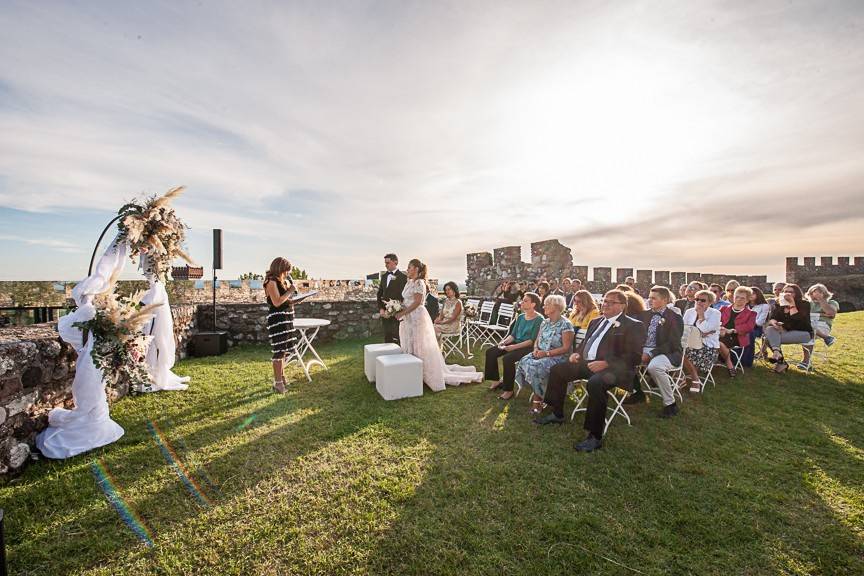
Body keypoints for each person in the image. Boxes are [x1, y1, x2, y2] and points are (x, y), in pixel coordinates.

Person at [535, 290, 644, 452]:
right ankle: (556, 413)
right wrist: (577, 353)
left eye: (610, 302)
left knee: (595, 384)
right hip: (589, 364)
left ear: (622, 306)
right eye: (604, 300)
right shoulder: (596, 321)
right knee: (558, 370)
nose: (605, 304)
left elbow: (634, 357)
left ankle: (595, 436)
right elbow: (586, 343)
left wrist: (606, 363)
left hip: (616, 369)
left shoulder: (633, 325)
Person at [395, 259, 482, 390]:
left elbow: (418, 302)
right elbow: (407, 300)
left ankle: (423, 372)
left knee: (419, 344)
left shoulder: (419, 283)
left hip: (416, 316)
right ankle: (412, 370)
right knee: (410, 342)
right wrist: (398, 308)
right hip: (408, 318)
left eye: (409, 267)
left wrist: (403, 312)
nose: (407, 269)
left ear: (416, 269)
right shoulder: (409, 282)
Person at [515, 295, 574, 414]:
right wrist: (536, 349)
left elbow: (566, 348)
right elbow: (537, 339)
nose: (543, 306)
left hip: (558, 357)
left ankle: (538, 401)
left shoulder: (566, 324)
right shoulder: (545, 322)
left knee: (536, 367)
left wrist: (546, 353)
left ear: (556, 307)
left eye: (547, 304)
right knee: (524, 360)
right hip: (541, 353)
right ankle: (544, 392)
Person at [633, 286, 684, 417]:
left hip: (668, 352)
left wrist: (651, 353)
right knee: (625, 357)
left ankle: (670, 404)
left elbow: (672, 343)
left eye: (654, 298)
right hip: (644, 348)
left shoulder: (674, 317)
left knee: (655, 366)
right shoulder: (643, 315)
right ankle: (637, 393)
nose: (650, 300)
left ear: (665, 300)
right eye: (649, 297)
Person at [486, 292, 544, 400]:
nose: (522, 302)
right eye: (523, 300)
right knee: (491, 352)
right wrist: (503, 342)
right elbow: (513, 335)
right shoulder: (521, 317)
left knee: (508, 358)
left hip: (527, 347)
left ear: (533, 304)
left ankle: (509, 390)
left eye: (525, 301)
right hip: (516, 343)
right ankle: (496, 382)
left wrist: (512, 348)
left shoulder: (539, 319)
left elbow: (531, 341)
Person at [264, 257, 299, 393]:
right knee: (279, 351)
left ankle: (282, 378)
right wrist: (290, 291)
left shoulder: (281, 282)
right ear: (280, 269)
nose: (288, 274)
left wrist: (294, 300)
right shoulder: (271, 282)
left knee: (284, 351)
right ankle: (278, 383)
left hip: (286, 318)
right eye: (286, 271)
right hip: (278, 320)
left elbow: (284, 301)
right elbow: (277, 302)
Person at [763, 283, 812, 373]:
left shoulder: (804, 304)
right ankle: (778, 354)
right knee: (770, 329)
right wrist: (774, 323)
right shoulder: (779, 305)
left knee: (769, 339)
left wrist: (791, 303)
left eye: (790, 292)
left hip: (803, 333)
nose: (787, 294)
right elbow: (772, 319)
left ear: (796, 293)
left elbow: (797, 319)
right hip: (784, 332)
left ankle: (780, 362)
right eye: (785, 291)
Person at [682, 289, 721, 392]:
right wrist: (701, 333)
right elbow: (683, 328)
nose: (699, 302)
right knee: (674, 349)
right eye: (697, 299)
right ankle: (680, 376)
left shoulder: (715, 313)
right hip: (688, 343)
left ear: (710, 302)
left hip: (708, 347)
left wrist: (701, 315)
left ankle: (694, 378)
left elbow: (705, 330)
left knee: (681, 352)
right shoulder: (689, 312)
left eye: (703, 300)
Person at [718, 286, 757, 377]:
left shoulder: (751, 314)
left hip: (737, 337)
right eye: (737, 297)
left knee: (718, 343)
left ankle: (729, 364)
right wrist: (720, 328)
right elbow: (716, 321)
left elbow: (749, 327)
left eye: (742, 298)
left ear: (747, 300)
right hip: (720, 333)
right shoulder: (723, 309)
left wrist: (732, 331)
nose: (739, 299)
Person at [377, 253, 407, 344]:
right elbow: (379, 294)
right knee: (387, 337)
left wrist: (394, 310)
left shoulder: (403, 277)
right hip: (385, 313)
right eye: (385, 263)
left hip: (397, 313)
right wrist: (381, 309)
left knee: (397, 338)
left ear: (396, 262)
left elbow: (404, 296)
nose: (386, 265)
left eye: (388, 263)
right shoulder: (384, 276)